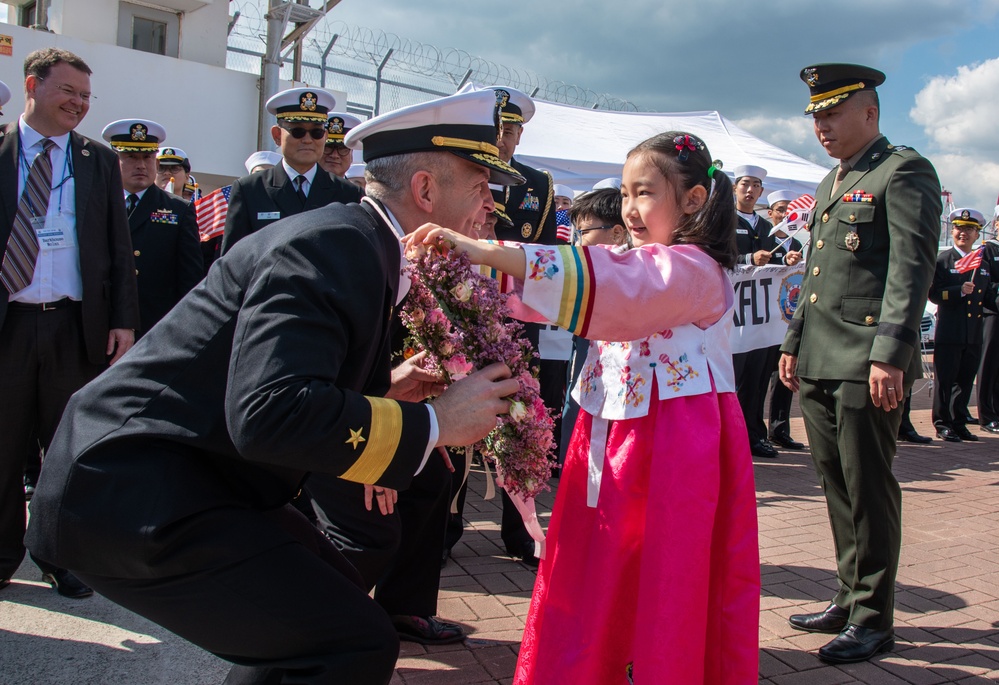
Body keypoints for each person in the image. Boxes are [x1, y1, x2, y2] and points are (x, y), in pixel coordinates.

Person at [24, 88, 524, 685]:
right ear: (423, 191)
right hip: (131, 486)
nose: (487, 210)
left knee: (337, 610)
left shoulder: (359, 242)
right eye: (478, 189)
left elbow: (273, 382)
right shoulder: (337, 246)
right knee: (350, 642)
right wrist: (438, 422)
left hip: (186, 477)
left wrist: (389, 392)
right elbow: (269, 412)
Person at [407, 130, 760, 684]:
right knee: (595, 564)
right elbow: (566, 287)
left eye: (645, 192)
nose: (631, 209)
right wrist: (464, 267)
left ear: (693, 200)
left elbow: (621, 286)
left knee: (667, 574)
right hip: (610, 434)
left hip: (675, 446)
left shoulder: (694, 269)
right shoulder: (630, 261)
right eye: (625, 194)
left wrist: (488, 252)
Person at [780, 63, 942, 664]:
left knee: (869, 487)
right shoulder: (833, 182)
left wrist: (892, 355)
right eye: (816, 116)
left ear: (869, 113)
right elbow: (817, 275)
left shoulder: (903, 171)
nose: (821, 126)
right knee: (836, 483)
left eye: (832, 113)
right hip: (822, 355)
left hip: (868, 359)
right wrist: (794, 341)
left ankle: (875, 617)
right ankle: (849, 597)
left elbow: (910, 269)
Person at [0, 48, 139, 599]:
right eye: (68, 92)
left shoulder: (97, 159)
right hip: (8, 324)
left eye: (86, 96)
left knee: (65, 450)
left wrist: (124, 320)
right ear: (33, 85)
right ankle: (2, 554)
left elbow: (117, 245)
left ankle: (60, 557)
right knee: (4, 447)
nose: (79, 104)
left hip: (75, 326)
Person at [220, 87, 362, 253]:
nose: (308, 140)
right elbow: (232, 261)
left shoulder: (348, 194)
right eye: (298, 131)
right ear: (277, 135)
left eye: (316, 132)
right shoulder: (250, 190)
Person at [101, 119, 203, 338]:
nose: (141, 165)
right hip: (104, 322)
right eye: (131, 157)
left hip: (155, 324)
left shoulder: (179, 209)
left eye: (147, 157)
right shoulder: (97, 204)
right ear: (113, 161)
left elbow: (189, 278)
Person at [929, 208, 995, 442]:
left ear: (977, 234)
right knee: (945, 381)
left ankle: (959, 422)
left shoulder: (982, 264)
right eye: (958, 229)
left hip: (973, 333)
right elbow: (934, 294)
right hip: (951, 330)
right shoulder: (943, 260)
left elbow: (987, 297)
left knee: (965, 381)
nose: (962, 233)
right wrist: (957, 291)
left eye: (969, 229)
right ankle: (942, 423)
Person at [731, 164, 781, 458]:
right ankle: (732, 437)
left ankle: (754, 435)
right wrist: (749, 257)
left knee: (758, 378)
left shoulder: (766, 227)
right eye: (745, 184)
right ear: (735, 188)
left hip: (761, 317)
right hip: (734, 315)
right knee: (733, 379)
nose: (750, 191)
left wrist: (785, 258)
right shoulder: (724, 221)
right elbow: (715, 254)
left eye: (756, 186)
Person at [764, 189, 806, 450]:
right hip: (764, 322)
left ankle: (780, 429)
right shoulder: (765, 242)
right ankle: (754, 430)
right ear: (771, 214)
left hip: (787, 321)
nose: (785, 215)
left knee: (785, 377)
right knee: (759, 379)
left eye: (790, 210)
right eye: (781, 210)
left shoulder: (799, 245)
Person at [979, 220, 999, 433]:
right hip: (993, 313)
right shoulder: (988, 249)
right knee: (989, 365)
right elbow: (983, 283)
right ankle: (987, 415)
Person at [320, 112, 362, 180]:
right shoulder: (302, 188)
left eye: (342, 149)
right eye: (328, 147)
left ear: (351, 155)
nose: (334, 155)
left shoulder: (355, 190)